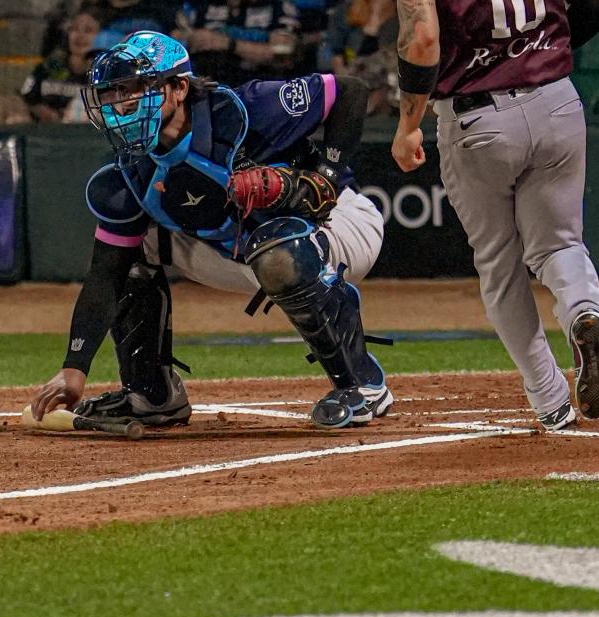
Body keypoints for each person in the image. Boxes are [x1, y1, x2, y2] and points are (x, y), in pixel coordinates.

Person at [382, 0, 599, 429]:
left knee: (499, 262)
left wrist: (408, 124)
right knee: (560, 242)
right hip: (557, 100)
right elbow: (597, 6)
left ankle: (549, 400)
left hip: (478, 116)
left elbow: (422, 36)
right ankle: (584, 316)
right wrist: (539, 51)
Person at [29, 30, 390, 432]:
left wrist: (324, 176)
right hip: (242, 250)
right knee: (136, 247)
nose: (121, 104)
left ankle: (361, 383)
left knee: (276, 251)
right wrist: (74, 368)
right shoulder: (128, 174)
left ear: (178, 88)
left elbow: (350, 91)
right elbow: (105, 275)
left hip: (338, 224)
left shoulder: (243, 109)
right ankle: (151, 395)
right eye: (112, 94)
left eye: (132, 89)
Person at [21, 6, 103, 123]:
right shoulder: (50, 67)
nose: (79, 36)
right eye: (74, 29)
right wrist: (41, 111)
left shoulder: (106, 74)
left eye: (88, 30)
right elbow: (26, 100)